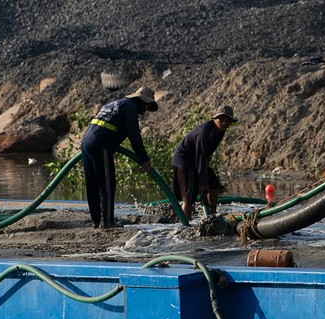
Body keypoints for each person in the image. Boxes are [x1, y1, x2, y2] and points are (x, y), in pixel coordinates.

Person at [80, 86, 159, 229]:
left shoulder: (116, 104)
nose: (146, 110)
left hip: (86, 142)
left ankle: (97, 221)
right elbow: (134, 136)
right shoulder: (130, 108)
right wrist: (143, 159)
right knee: (107, 185)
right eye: (147, 105)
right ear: (142, 100)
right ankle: (108, 222)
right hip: (100, 143)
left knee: (92, 185)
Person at [171, 105, 238, 219]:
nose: (224, 123)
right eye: (221, 119)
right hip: (185, 161)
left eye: (227, 121)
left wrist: (204, 180)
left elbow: (205, 156)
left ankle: (212, 217)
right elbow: (200, 157)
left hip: (197, 161)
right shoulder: (204, 133)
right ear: (215, 119)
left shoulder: (220, 132)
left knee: (214, 183)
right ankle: (184, 227)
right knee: (188, 197)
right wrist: (202, 182)